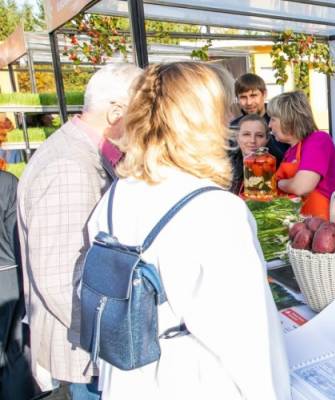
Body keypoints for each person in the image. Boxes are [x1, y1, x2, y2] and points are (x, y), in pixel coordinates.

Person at [87, 61, 291, 399]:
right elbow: (251, 347)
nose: (229, 122)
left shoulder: (116, 195)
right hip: (190, 382)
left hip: (127, 381)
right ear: (203, 122)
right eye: (223, 113)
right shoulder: (215, 212)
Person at [16, 63, 141, 399]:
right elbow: (61, 280)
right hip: (89, 357)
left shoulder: (81, 153)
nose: (149, 123)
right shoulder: (70, 166)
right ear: (117, 112)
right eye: (143, 112)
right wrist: (123, 336)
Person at [271, 91, 335, 219]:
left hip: (321, 225)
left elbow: (301, 187)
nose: (269, 125)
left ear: (289, 119)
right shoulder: (290, 151)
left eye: (273, 119)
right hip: (300, 225)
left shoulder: (318, 140)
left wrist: (279, 184)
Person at [0, 170, 38, 400]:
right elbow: (19, 239)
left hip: (8, 275)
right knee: (15, 354)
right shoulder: (6, 182)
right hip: (9, 278)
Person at [228, 73, 290, 193]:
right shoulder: (234, 127)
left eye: (253, 95)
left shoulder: (281, 122)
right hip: (242, 192)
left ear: (264, 94)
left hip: (279, 191)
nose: (249, 102)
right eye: (243, 97)